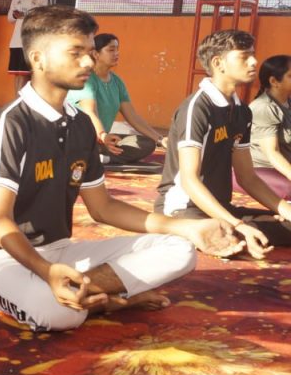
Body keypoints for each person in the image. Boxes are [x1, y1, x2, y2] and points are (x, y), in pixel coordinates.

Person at [0, 6, 241, 332]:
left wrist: (188, 228)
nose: (88, 63)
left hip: (58, 250)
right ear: (38, 59)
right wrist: (45, 271)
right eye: (75, 53)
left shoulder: (80, 124)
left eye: (90, 52)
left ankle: (82, 291)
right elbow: (0, 222)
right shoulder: (12, 122)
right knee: (58, 315)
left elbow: (103, 207)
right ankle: (103, 299)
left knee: (180, 249)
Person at [156, 30, 291, 254]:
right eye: (244, 56)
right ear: (218, 63)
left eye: (253, 55)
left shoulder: (242, 112)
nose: (254, 61)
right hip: (183, 209)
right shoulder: (197, 108)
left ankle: (236, 229)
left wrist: (285, 210)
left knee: (285, 224)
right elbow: (189, 180)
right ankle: (220, 232)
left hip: (219, 207)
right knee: (240, 235)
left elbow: (247, 177)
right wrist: (238, 225)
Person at [67, 33, 166, 166]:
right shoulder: (87, 79)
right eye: (111, 50)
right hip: (82, 138)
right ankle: (96, 155)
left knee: (146, 143)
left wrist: (160, 139)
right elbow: (90, 112)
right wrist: (102, 135)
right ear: (96, 54)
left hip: (102, 141)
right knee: (85, 144)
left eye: (117, 49)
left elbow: (133, 116)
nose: (116, 53)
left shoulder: (117, 82)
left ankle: (104, 158)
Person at [238, 55, 291, 199]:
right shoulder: (264, 108)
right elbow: (272, 153)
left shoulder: (288, 102)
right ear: (274, 81)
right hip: (265, 170)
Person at [6, 0, 50, 94]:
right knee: (18, 74)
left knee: (30, 75)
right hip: (16, 41)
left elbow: (46, 19)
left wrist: (26, 15)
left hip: (33, 41)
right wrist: (15, 15)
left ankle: (26, 103)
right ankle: (18, 102)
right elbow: (10, 19)